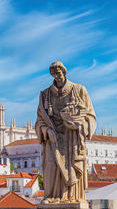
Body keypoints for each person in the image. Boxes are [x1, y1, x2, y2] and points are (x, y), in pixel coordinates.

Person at [35, 61, 96, 203]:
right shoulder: (45, 95)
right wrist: (46, 130)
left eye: (59, 73)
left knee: (71, 166)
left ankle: (72, 197)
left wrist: (79, 125)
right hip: (53, 137)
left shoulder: (79, 90)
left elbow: (90, 116)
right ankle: (52, 196)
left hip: (72, 136)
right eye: (54, 74)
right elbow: (39, 121)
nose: (57, 76)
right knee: (51, 165)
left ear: (64, 72)